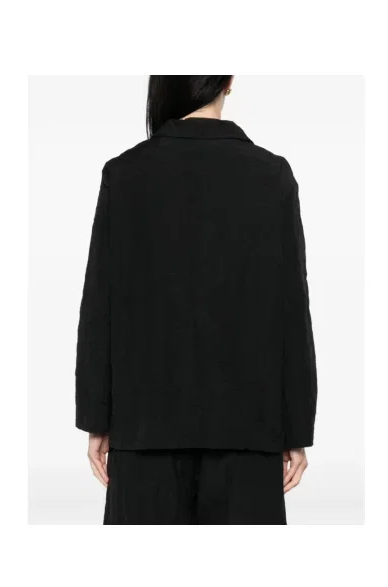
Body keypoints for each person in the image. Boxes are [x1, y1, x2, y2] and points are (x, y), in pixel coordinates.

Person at [75, 75, 317, 525]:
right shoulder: (271, 174)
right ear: (229, 82)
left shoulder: (125, 173)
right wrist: (295, 427)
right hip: (250, 430)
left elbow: (99, 305)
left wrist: (96, 417)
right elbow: (290, 309)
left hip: (144, 429)